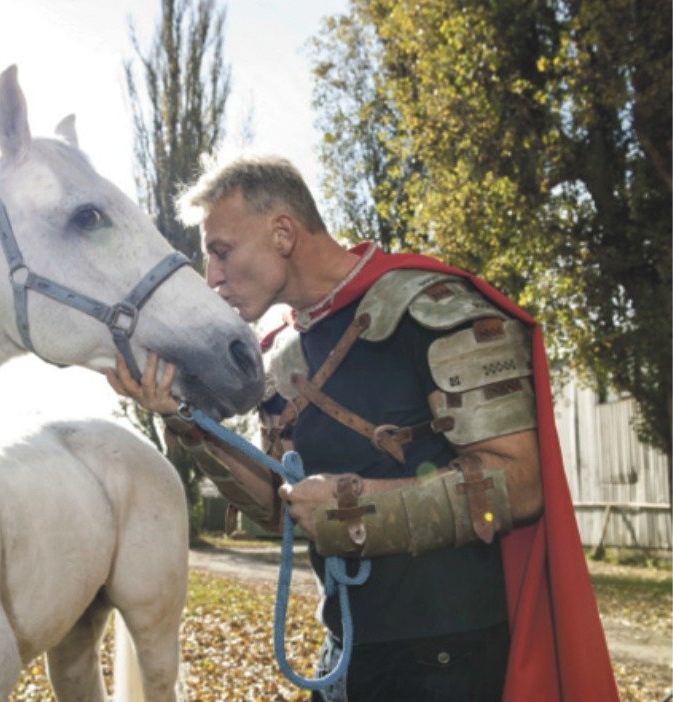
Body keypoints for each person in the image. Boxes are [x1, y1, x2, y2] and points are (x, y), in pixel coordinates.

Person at [105, 156, 618, 702]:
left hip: (450, 660)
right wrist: (186, 422)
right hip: (344, 656)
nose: (212, 278)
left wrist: (354, 508)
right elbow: (280, 506)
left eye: (221, 251)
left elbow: (520, 486)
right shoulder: (282, 356)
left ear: (282, 232)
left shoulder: (432, 310)